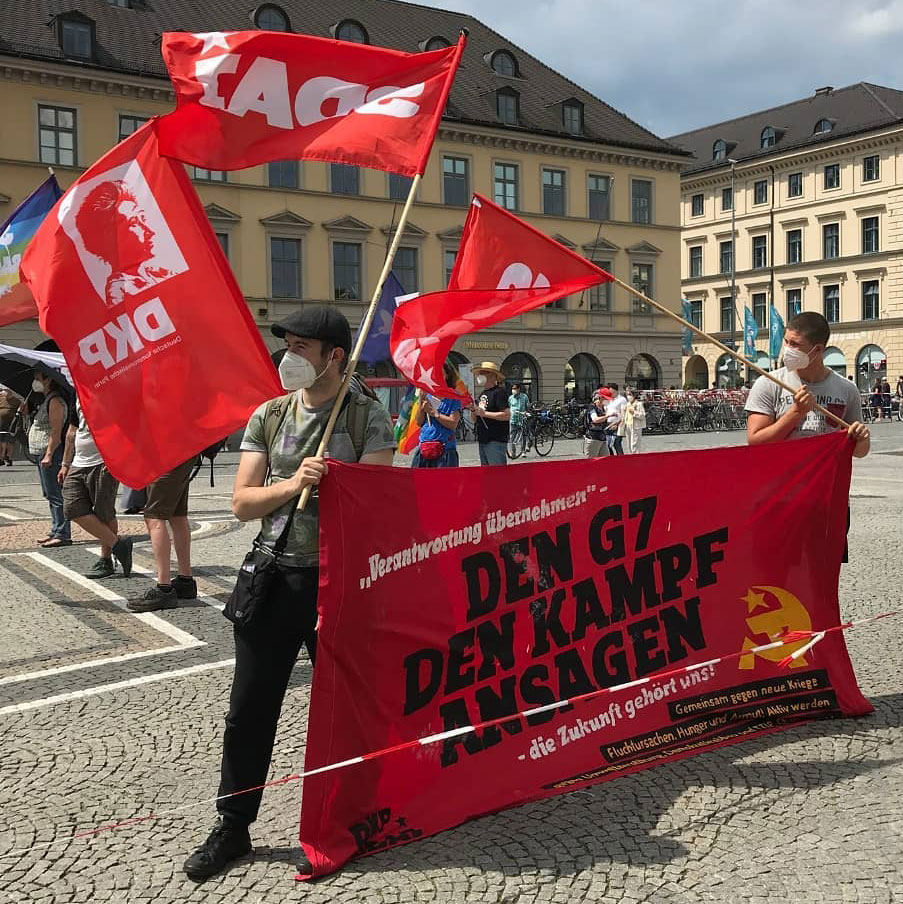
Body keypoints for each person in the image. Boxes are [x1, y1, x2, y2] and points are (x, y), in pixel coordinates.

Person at [183, 305, 395, 883]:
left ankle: (346, 820)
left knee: (345, 711)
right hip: (275, 579)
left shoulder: (367, 420)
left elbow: (379, 512)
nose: (289, 356)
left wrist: (341, 484)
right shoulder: (270, 416)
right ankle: (232, 823)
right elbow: (242, 501)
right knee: (249, 709)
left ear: (334, 357)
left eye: (301, 346)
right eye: (288, 345)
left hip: (339, 585)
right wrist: (295, 482)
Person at [745, 312, 869, 564]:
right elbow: (756, 442)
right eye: (787, 342)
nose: (787, 349)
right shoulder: (768, 384)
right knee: (776, 575)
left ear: (817, 350)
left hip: (827, 503)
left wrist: (861, 438)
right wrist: (795, 413)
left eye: (795, 344)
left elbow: (859, 450)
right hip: (780, 500)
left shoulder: (846, 390)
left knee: (821, 577)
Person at [59, 397, 134, 579]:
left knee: (104, 512)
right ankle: (118, 545)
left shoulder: (109, 390)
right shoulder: (76, 393)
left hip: (104, 461)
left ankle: (106, 560)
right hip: (79, 462)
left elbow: (127, 423)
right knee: (72, 508)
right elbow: (72, 430)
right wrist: (65, 463)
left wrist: (118, 456)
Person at [126, 455, 199, 611]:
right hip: (184, 451)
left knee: (154, 517)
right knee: (177, 514)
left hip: (167, 454)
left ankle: (164, 588)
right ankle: (185, 581)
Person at [27, 369, 71, 547]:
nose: (36, 379)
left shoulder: (55, 401)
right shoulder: (46, 400)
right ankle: (56, 529)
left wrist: (49, 454)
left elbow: (56, 431)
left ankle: (62, 532)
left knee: (56, 494)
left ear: (48, 380)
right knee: (49, 493)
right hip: (41, 453)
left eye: (38, 376)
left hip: (49, 454)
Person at [413, 363, 461, 469]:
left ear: (447, 375)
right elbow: (419, 422)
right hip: (425, 447)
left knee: (444, 484)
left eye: (440, 374)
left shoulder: (453, 396)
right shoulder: (427, 394)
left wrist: (435, 414)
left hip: (445, 449)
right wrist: (421, 401)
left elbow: (453, 423)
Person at [471, 361, 509, 466]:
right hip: (483, 439)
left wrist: (485, 414)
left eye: (483, 373)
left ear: (492, 375)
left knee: (497, 475)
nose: (479, 376)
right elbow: (475, 419)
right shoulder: (482, 394)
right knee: (487, 474)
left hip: (495, 439)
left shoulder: (499, 392)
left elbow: (506, 415)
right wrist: (473, 410)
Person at [0, 384, 23, 466]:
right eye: (2, 391)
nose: (2, 392)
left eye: (4, 391)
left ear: (9, 392)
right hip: (1, 422)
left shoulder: (16, 401)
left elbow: (21, 409)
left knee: (10, 440)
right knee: (2, 440)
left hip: (12, 423)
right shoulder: (0, 399)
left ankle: (8, 458)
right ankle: (1, 457)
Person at [584, 390, 610, 458]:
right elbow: (595, 419)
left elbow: (605, 421)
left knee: (605, 459)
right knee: (591, 461)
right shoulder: (592, 407)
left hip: (602, 438)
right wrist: (607, 416)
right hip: (593, 438)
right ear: (600, 398)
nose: (607, 400)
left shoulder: (604, 408)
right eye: (606, 398)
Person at [606, 382, 627, 455]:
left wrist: (618, 424)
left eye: (612, 392)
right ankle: (611, 459)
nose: (611, 393)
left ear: (616, 391)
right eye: (610, 392)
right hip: (608, 424)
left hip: (618, 424)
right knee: (608, 444)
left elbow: (624, 414)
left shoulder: (622, 399)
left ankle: (621, 459)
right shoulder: (608, 400)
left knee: (616, 443)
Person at [622, 389, 646, 453]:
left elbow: (642, 415)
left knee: (635, 443)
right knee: (629, 443)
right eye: (627, 395)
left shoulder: (638, 404)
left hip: (635, 425)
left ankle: (636, 456)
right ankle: (631, 456)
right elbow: (624, 415)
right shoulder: (627, 404)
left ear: (634, 395)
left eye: (630, 394)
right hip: (627, 425)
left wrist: (634, 413)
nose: (628, 396)